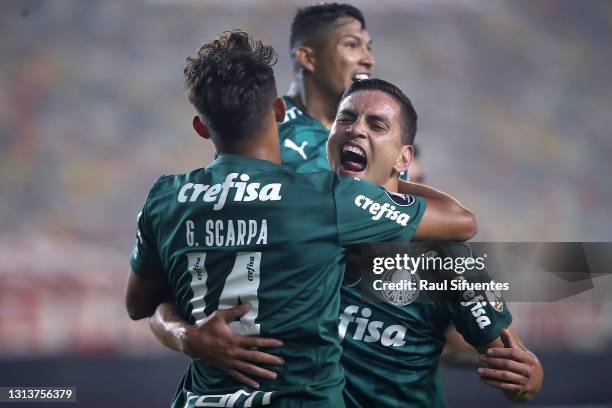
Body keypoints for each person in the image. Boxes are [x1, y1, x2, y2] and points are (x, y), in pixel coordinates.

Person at [126, 31, 476, 408]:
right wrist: (379, 174)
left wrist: (185, 337)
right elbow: (461, 221)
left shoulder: (165, 197)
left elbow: (140, 306)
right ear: (279, 111)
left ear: (200, 126)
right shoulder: (327, 197)